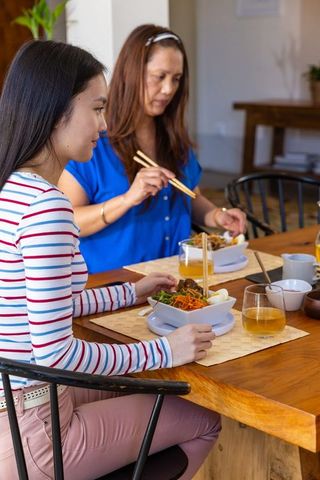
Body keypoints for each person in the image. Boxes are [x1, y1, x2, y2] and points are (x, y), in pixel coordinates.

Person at [0, 40, 221, 480]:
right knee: (204, 418)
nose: (104, 124)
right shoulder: (48, 208)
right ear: (56, 108)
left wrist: (129, 292)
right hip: (39, 432)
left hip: (15, 410)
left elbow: (44, 310)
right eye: (96, 108)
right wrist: (163, 349)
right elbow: (56, 355)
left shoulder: (12, 189)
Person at [58, 24, 246, 274]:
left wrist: (215, 216)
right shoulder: (93, 141)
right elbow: (69, 221)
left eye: (176, 79)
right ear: (133, 73)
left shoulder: (173, 137)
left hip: (173, 279)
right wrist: (127, 200)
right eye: (160, 77)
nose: (169, 89)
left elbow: (191, 195)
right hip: (114, 284)